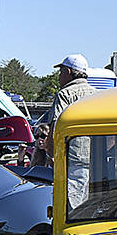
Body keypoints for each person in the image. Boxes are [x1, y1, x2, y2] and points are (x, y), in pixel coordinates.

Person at [46, 53, 98, 209]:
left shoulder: (64, 95)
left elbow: (55, 127)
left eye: (61, 72)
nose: (59, 77)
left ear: (68, 72)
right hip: (95, 159)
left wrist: (51, 152)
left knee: (72, 206)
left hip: (72, 158)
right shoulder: (96, 94)